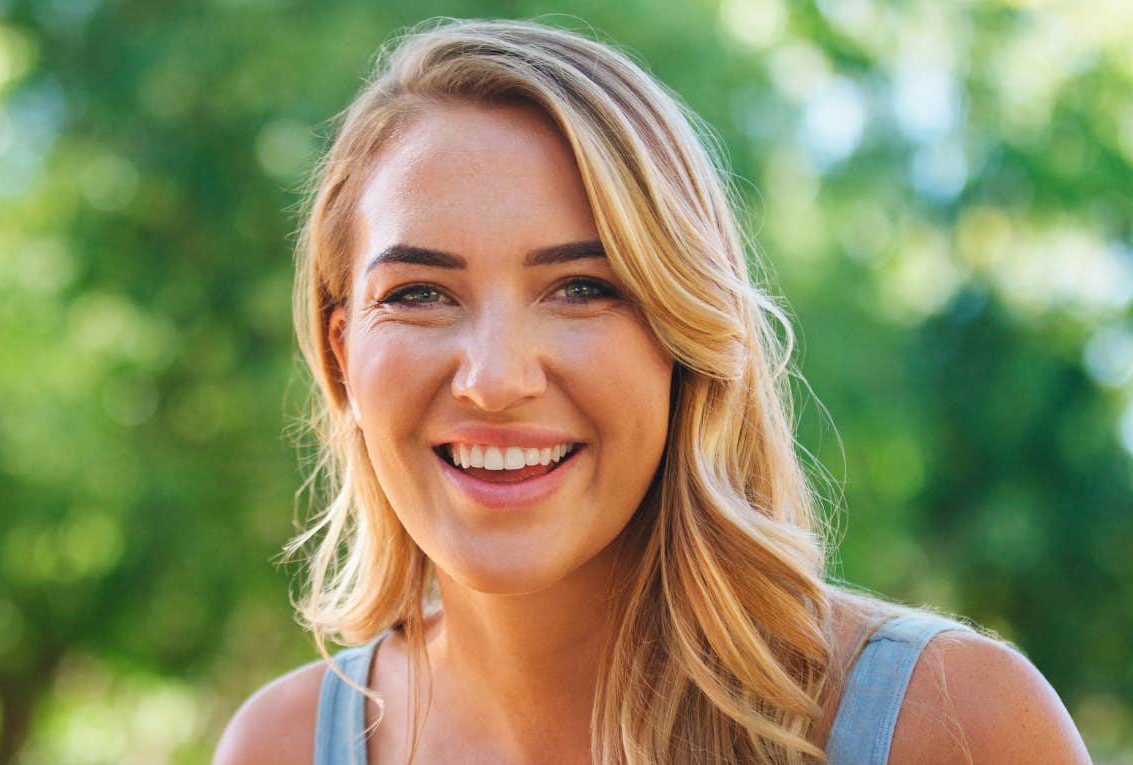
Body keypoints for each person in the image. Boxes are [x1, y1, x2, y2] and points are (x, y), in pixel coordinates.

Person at [215, 18, 1091, 765]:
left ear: (684, 337)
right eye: (418, 294)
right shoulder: (279, 745)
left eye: (583, 288)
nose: (494, 379)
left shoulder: (950, 723)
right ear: (341, 360)